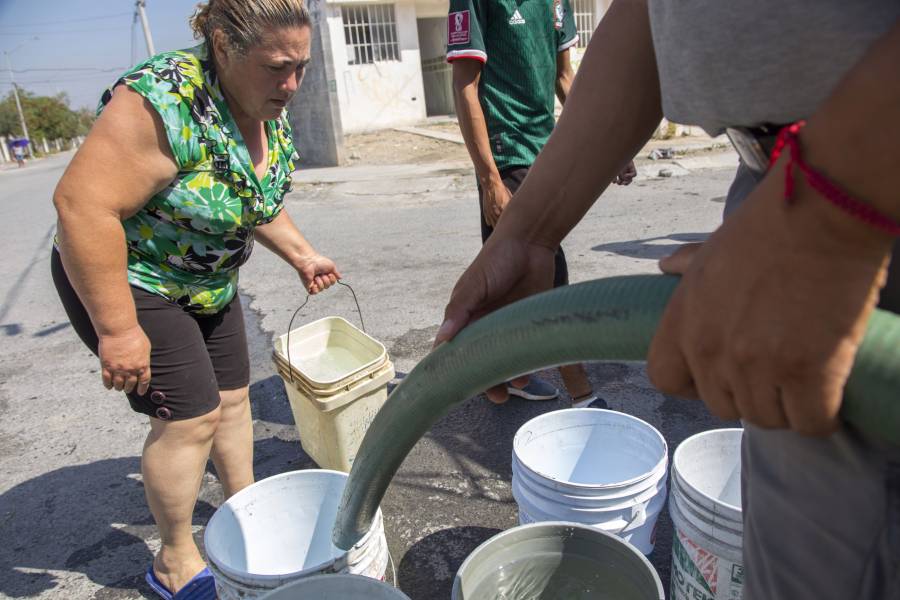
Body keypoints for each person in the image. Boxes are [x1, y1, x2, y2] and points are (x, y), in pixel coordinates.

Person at [437, 1, 900, 598]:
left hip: (860, 197)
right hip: (793, 190)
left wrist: (832, 209)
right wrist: (527, 236)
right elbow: (652, 15)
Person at [51, 1, 340, 598]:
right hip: (134, 278)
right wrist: (119, 330)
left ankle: (245, 512)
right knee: (191, 417)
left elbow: (248, 195)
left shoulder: (263, 104)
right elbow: (82, 208)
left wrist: (303, 254)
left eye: (301, 67)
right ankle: (174, 560)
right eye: (277, 67)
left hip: (207, 280)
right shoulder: (164, 102)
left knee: (234, 402)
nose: (291, 84)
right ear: (222, 44)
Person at [447, 0, 637, 408]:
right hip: (505, 150)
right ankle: (579, 388)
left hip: (545, 148)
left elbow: (566, 78)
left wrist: (612, 141)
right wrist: (490, 179)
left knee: (513, 276)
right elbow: (465, 85)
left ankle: (511, 373)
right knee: (547, 265)